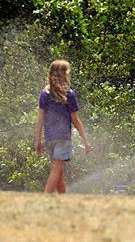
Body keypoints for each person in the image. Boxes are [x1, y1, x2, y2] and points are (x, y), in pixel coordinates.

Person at [34, 60, 92, 194]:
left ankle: (63, 201)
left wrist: (37, 140)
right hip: (63, 138)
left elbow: (40, 119)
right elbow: (75, 120)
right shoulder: (69, 94)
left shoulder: (44, 94)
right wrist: (86, 141)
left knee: (58, 174)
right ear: (64, 75)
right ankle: (45, 198)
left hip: (50, 138)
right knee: (56, 170)